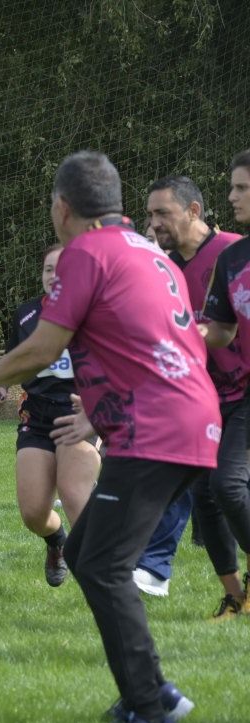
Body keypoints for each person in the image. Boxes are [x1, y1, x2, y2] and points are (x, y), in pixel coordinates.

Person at [0, 150, 219, 723]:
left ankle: (154, 709)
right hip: (184, 418)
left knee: (103, 564)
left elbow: (45, 348)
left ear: (62, 207)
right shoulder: (151, 253)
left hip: (160, 427)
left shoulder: (84, 254)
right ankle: (149, 693)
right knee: (85, 553)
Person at [145, 175, 244, 605]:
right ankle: (235, 597)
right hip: (202, 398)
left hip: (243, 392)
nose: (155, 223)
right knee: (205, 495)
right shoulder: (161, 266)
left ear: (193, 211)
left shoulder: (233, 252)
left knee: (227, 486)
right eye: (150, 215)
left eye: (162, 213)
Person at [0, 246, 100, 587]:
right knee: (34, 513)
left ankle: (102, 581)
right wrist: (0, 383)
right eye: (49, 270)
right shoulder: (26, 315)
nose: (55, 276)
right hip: (36, 416)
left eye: (63, 270)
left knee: (73, 495)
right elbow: (14, 360)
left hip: (79, 414)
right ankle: (56, 542)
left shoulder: (96, 316)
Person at [201, 150, 250, 620]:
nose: (231, 195)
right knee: (218, 486)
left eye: (241, 187)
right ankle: (235, 594)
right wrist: (181, 331)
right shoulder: (232, 258)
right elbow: (221, 330)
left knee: (227, 485)